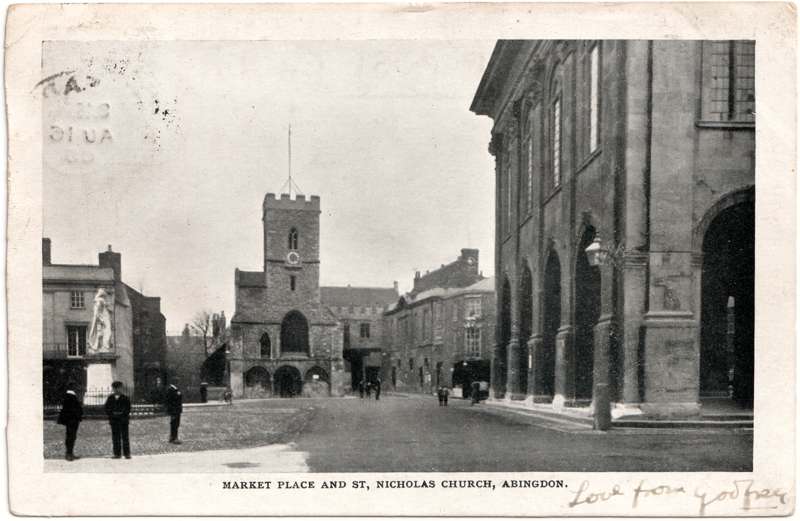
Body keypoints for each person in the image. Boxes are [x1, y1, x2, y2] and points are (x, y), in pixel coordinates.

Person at [104, 381, 131, 459]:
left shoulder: (125, 398)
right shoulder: (110, 398)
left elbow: (128, 409)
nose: (117, 390)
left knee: (125, 437)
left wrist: (121, 414)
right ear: (113, 389)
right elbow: (107, 408)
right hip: (114, 420)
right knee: (115, 437)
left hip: (123, 420)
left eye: (119, 388)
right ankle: (117, 453)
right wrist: (112, 414)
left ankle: (127, 453)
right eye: (115, 388)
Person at [56, 381, 83, 461]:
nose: (78, 388)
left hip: (72, 419)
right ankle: (69, 454)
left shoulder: (70, 396)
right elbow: (72, 409)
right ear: (73, 387)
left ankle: (70, 453)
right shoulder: (70, 396)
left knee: (71, 436)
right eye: (76, 386)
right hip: (72, 420)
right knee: (71, 437)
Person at [165, 380, 183, 444]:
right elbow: (169, 401)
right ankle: (174, 438)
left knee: (176, 424)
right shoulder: (171, 390)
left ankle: (173, 437)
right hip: (174, 410)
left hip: (177, 410)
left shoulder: (175, 389)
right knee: (174, 424)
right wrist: (171, 410)